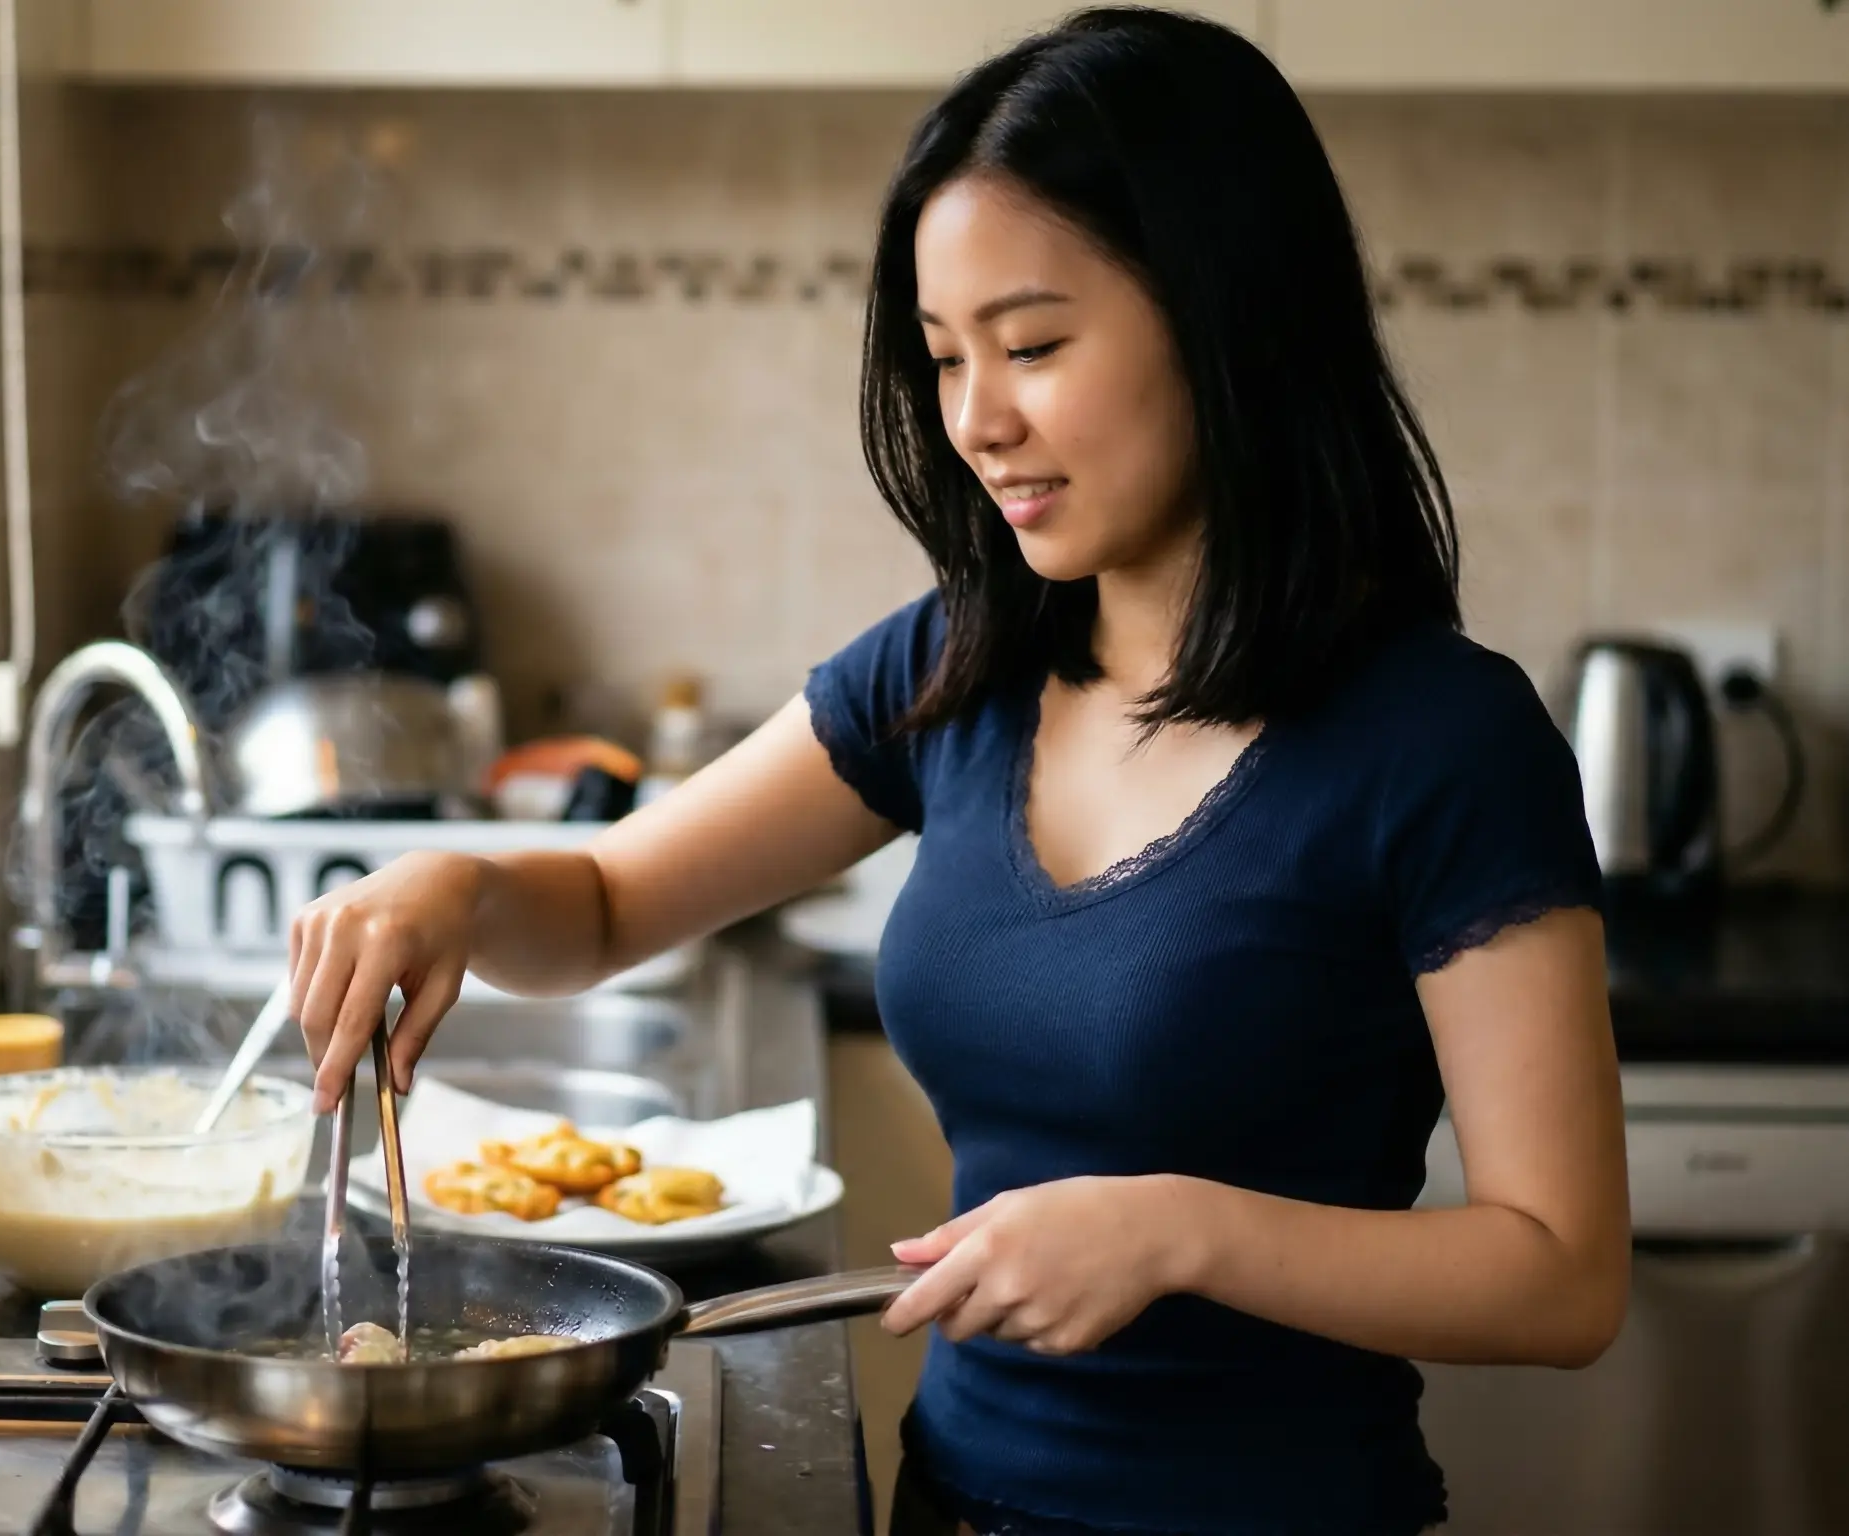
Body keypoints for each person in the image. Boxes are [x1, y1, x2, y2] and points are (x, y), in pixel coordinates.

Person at [286, 8, 1629, 1532]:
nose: (979, 423)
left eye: (1035, 345)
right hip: (949, 1503)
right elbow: (600, 905)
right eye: (942, 359)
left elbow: (1559, 1270)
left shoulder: (1440, 742)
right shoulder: (956, 668)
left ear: (1225, 319)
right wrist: (453, 884)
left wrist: (1177, 1233)